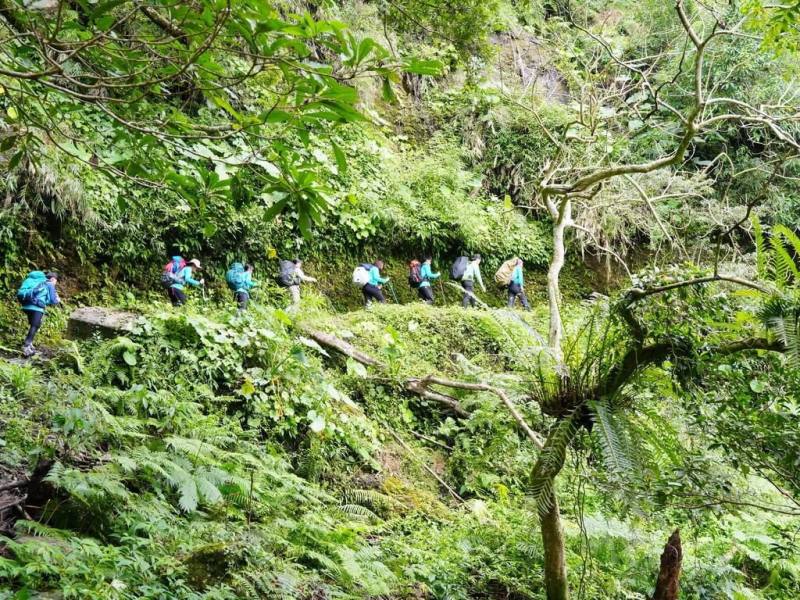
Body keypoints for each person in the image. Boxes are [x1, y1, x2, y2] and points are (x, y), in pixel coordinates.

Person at [18, 271, 60, 357]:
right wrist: (58, 300)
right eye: (56, 281)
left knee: (36, 324)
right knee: (35, 325)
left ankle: (29, 343)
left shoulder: (31, 280)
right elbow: (53, 300)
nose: (55, 283)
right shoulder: (49, 284)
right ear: (53, 279)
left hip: (26, 306)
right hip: (37, 308)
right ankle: (26, 346)